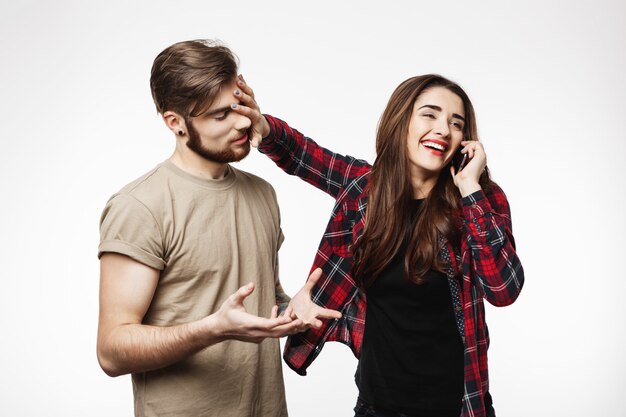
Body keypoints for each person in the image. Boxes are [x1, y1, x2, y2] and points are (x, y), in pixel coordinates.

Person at [230, 74, 524, 417]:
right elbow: (303, 155)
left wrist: (471, 189)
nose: (443, 129)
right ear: (401, 122)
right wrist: (263, 126)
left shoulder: (480, 202)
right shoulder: (365, 190)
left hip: (460, 407)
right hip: (376, 407)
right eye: (430, 114)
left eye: (456, 123)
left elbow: (503, 289)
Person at [96, 40, 339, 417]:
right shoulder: (141, 206)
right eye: (220, 115)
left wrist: (293, 310)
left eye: (240, 106)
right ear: (176, 122)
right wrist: (212, 328)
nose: (243, 122)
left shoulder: (262, 193)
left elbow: (261, 298)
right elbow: (112, 350)